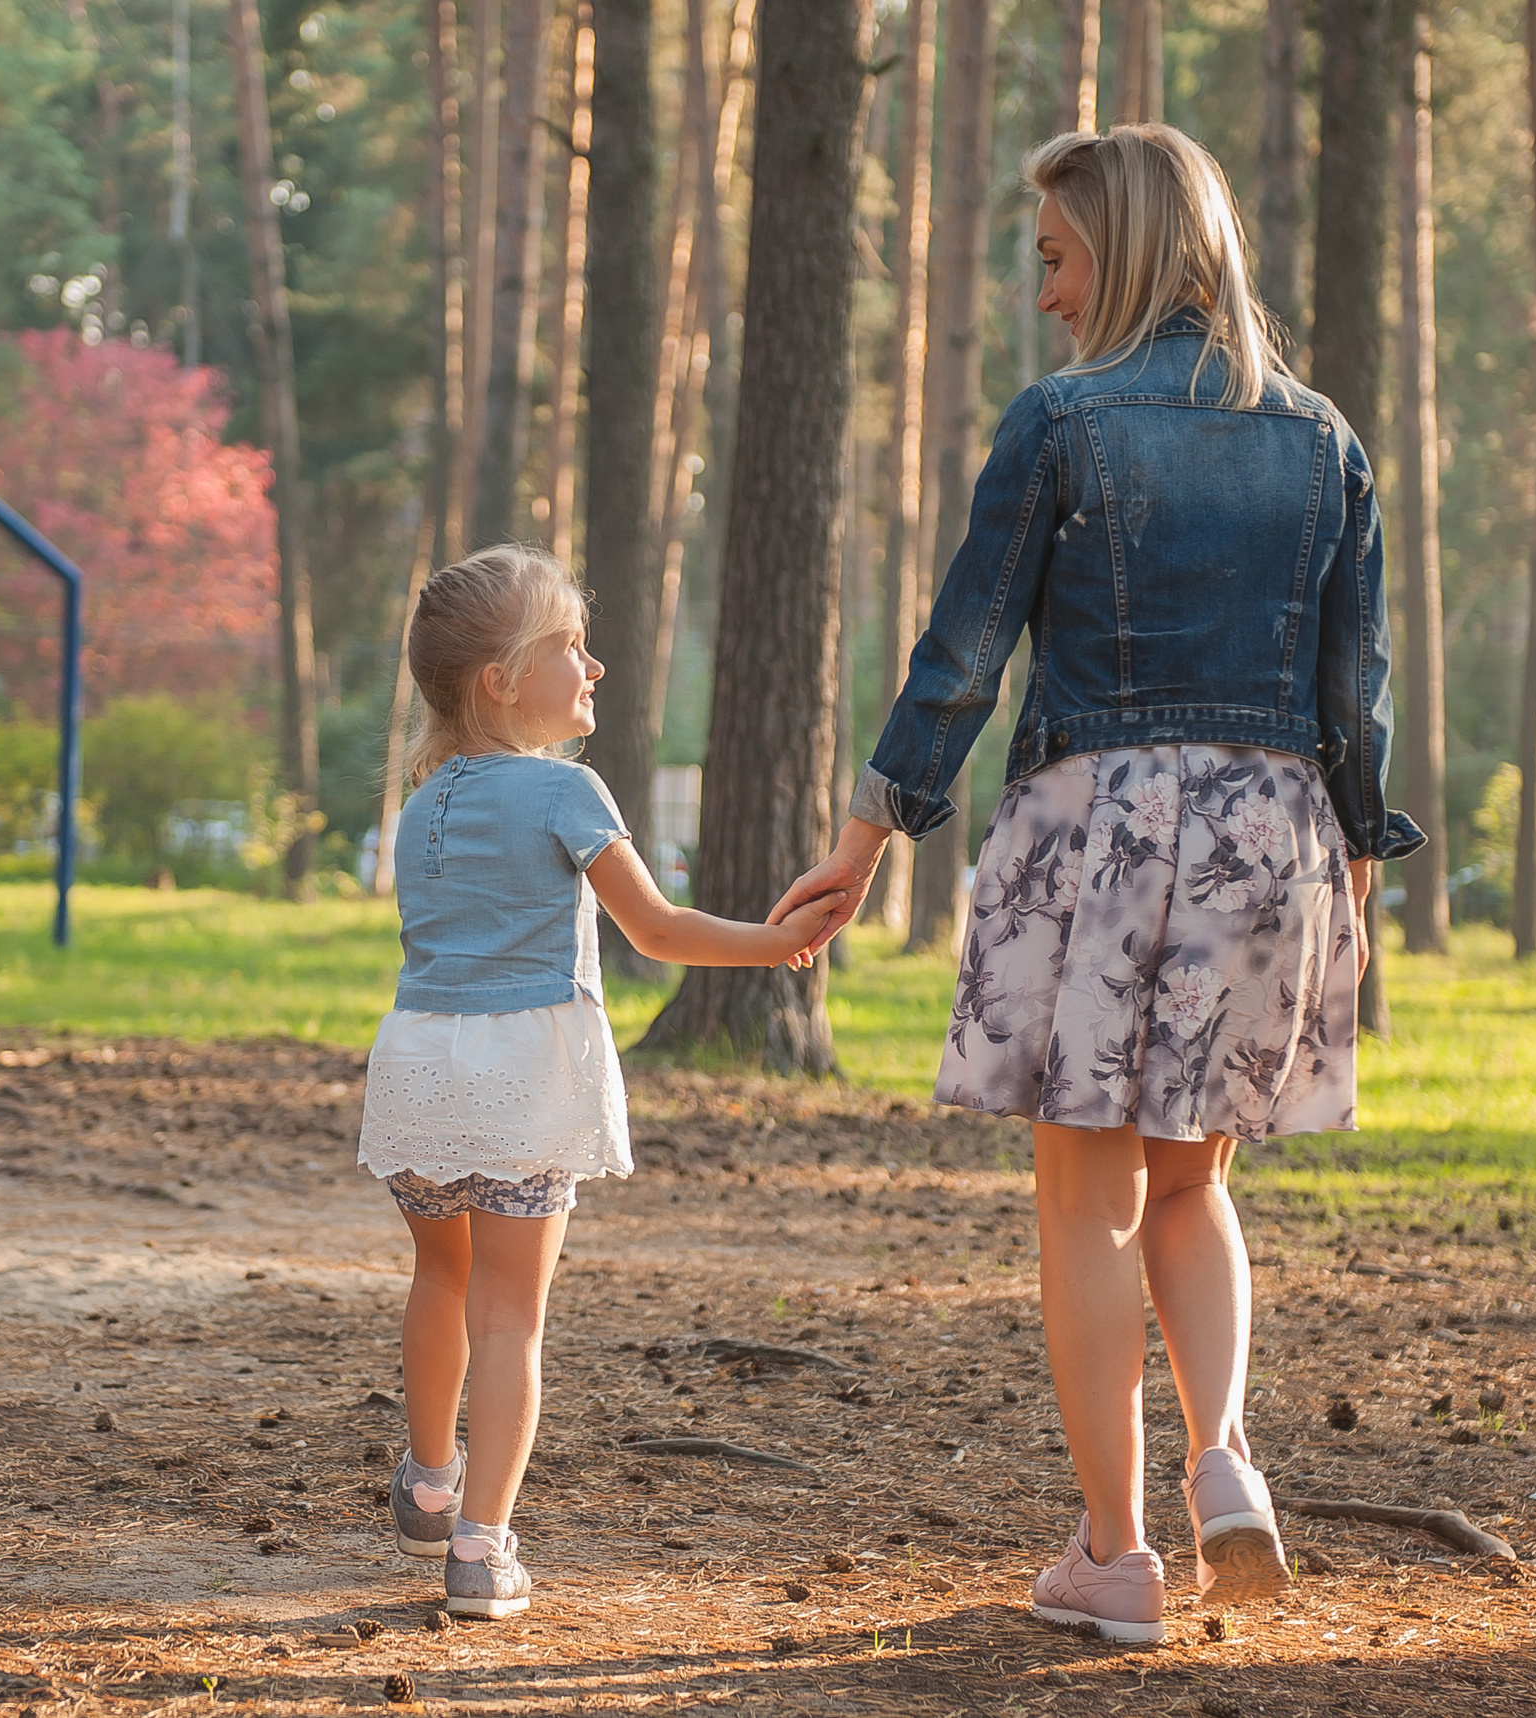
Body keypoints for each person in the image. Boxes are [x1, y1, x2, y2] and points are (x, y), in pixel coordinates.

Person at [770, 125, 1422, 1644]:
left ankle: (1119, 1557)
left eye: (1057, 259)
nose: (1046, 296)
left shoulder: (1062, 424)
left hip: (1105, 820)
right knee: (1195, 1176)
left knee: (1086, 1197)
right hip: (1275, 830)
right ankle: (1224, 1459)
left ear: (1120, 252)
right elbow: (1357, 690)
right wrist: (1361, 856)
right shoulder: (1325, 437)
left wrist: (872, 831)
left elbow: (964, 651)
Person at [358, 545, 844, 1619]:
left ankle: (430, 1475)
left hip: (419, 1062)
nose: (596, 664)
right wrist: (779, 943)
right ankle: (481, 1550)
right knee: (510, 1317)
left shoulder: (424, 796)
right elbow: (658, 928)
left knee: (441, 1275)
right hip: (522, 1070)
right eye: (568, 645)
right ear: (499, 679)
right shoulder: (565, 789)